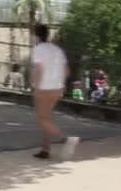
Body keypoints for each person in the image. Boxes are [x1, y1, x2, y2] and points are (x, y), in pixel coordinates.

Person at [31, 24, 79, 160]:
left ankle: (66, 138)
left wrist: (37, 87)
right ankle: (45, 149)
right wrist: (62, 85)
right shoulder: (57, 50)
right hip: (57, 88)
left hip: (44, 88)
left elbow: (38, 69)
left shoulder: (38, 49)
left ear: (36, 35)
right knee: (47, 118)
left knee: (42, 119)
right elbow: (67, 70)